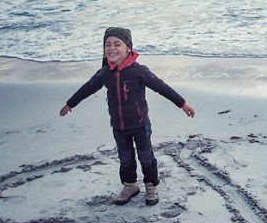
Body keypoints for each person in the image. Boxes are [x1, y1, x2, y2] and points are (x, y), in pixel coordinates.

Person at [60, 27, 195, 206]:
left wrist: (182, 104)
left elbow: (161, 87)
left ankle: (151, 185)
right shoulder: (105, 73)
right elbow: (87, 88)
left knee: (146, 156)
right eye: (107, 44)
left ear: (128, 48)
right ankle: (130, 185)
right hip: (118, 126)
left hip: (140, 125)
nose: (112, 48)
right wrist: (71, 103)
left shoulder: (139, 71)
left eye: (117, 44)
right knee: (125, 158)